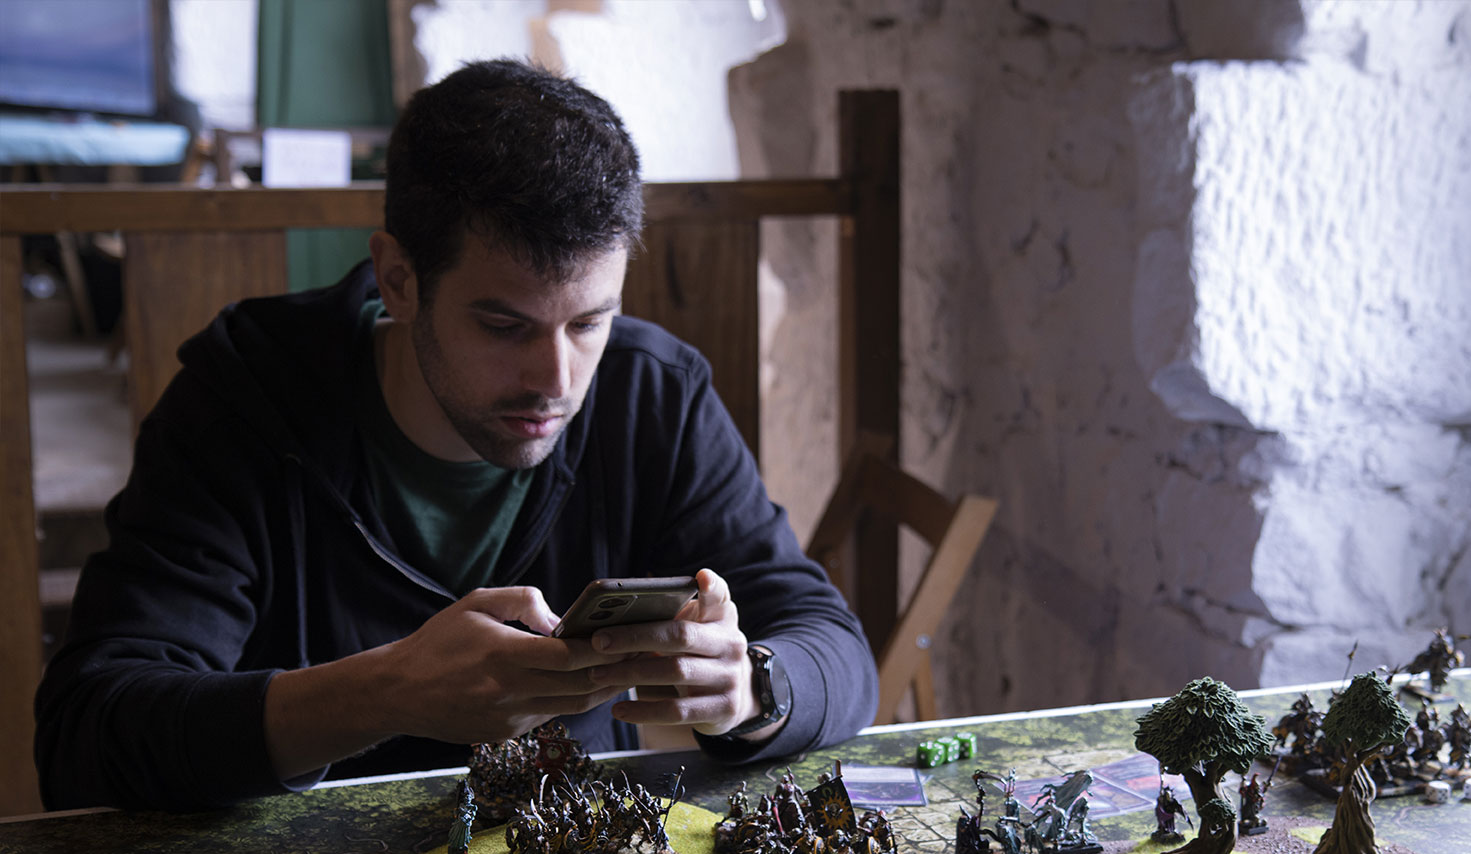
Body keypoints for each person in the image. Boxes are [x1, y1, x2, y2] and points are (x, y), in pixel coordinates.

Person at [33, 59, 878, 811]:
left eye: (589, 322)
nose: (556, 379)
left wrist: (751, 689)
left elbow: (835, 648)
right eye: (504, 325)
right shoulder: (244, 400)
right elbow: (86, 737)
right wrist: (383, 692)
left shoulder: (651, 395)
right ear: (399, 280)